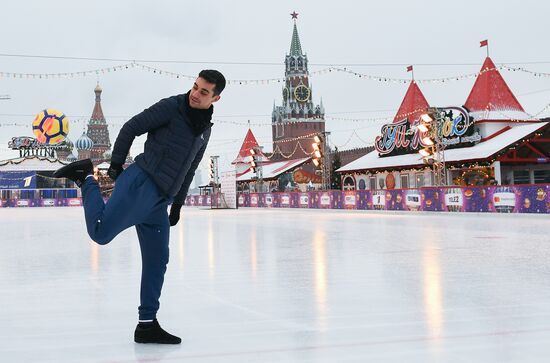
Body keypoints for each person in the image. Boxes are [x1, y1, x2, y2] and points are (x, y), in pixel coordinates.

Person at [53, 70, 225, 344]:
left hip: (160, 201)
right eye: (195, 87)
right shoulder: (172, 107)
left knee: (158, 260)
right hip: (141, 184)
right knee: (100, 232)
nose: (195, 93)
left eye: (204, 92)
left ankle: (147, 324)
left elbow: (190, 168)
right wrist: (116, 164)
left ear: (215, 98)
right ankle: (84, 177)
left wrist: (178, 203)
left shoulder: (204, 130)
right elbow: (132, 127)